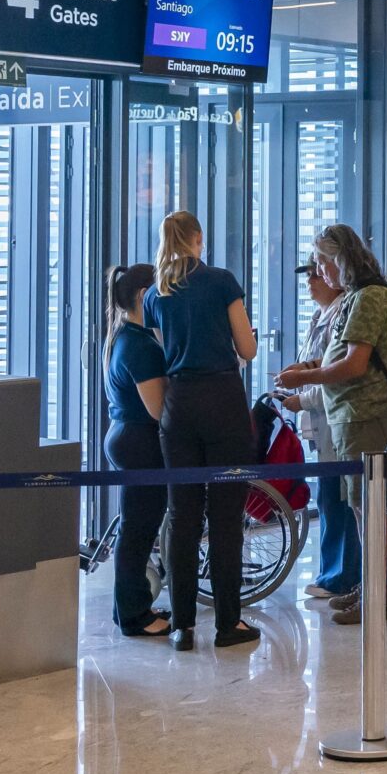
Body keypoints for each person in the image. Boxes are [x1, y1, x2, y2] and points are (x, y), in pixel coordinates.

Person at [273, 224, 387, 627]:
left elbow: (354, 364)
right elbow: (339, 354)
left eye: (322, 264)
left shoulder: (369, 298)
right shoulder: (356, 299)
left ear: (340, 261)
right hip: (349, 415)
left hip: (365, 413)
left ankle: (376, 594)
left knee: (369, 509)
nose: (320, 273)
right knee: (360, 508)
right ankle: (368, 588)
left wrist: (305, 379)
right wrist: (307, 367)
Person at [142, 211, 260, 651]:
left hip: (180, 407)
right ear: (198, 239)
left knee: (182, 516)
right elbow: (246, 346)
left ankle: (182, 625)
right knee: (226, 517)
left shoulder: (156, 294)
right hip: (223, 401)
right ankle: (229, 622)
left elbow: (165, 350)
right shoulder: (221, 281)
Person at [278, 258, 360, 605]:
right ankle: (333, 571)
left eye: (316, 274)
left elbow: (335, 375)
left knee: (340, 499)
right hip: (320, 423)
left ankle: (343, 575)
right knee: (329, 498)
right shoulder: (319, 316)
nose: (311, 281)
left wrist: (303, 398)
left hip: (336, 419)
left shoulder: (344, 314)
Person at [104, 263, 172, 639]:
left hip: (124, 436)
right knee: (138, 531)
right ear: (146, 295)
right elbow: (158, 408)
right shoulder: (141, 345)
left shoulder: (122, 336)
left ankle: (129, 607)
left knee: (136, 528)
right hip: (139, 441)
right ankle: (135, 615)